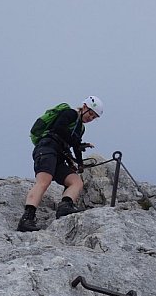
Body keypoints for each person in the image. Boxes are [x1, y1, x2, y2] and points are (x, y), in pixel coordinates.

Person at [17, 96, 104, 232]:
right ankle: (27, 218)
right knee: (44, 182)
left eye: (94, 117)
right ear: (85, 107)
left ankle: (65, 207)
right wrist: (77, 144)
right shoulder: (70, 113)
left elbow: (75, 146)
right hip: (46, 149)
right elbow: (58, 128)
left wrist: (80, 164)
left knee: (76, 182)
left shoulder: (80, 128)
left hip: (58, 155)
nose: (90, 118)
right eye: (91, 114)